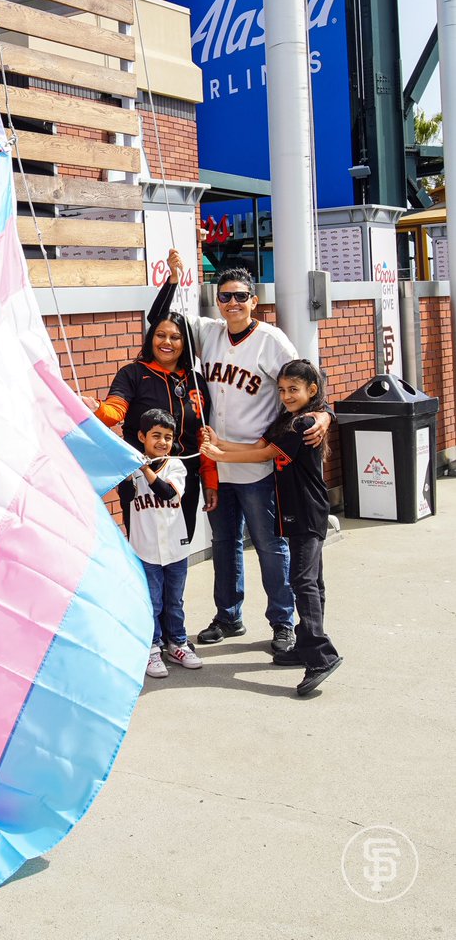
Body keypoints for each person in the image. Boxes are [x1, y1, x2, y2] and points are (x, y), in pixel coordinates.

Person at [156, 253, 332, 654]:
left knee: (271, 547)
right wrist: (173, 278)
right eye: (224, 297)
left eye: (240, 296)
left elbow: (309, 380)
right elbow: (162, 320)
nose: (232, 303)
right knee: (224, 543)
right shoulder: (209, 332)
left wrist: (325, 413)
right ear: (216, 301)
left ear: (254, 300)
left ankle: (282, 621)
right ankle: (229, 615)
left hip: (259, 461)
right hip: (216, 462)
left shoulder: (271, 339)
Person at [201, 359, 343, 696]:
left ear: (312, 390)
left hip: (308, 512)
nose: (286, 395)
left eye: (293, 389)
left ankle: (321, 656)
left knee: (303, 580)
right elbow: (254, 447)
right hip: (292, 511)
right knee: (313, 580)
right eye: (281, 390)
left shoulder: (304, 423)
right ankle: (306, 645)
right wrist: (220, 442)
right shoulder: (285, 421)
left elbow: (262, 456)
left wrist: (219, 457)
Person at [83, 307, 218, 545]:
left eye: (175, 337)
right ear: (150, 338)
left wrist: (210, 481)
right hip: (139, 478)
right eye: (160, 335)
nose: (167, 342)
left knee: (178, 552)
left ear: (185, 343)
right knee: (144, 552)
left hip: (181, 481)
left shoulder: (197, 381)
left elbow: (202, 436)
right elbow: (115, 411)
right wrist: (97, 409)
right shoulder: (132, 373)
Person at [124, 409, 203, 679]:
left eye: (167, 437)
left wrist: (143, 467)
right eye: (155, 435)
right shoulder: (129, 470)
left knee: (174, 602)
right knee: (152, 602)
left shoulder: (176, 466)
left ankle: (178, 644)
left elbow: (168, 492)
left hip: (175, 548)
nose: (162, 442)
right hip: (145, 550)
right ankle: (152, 647)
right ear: (141, 436)